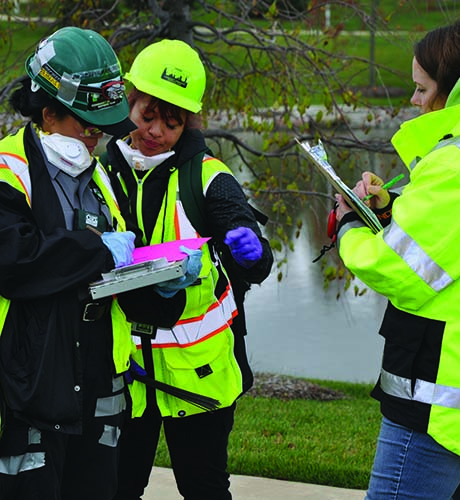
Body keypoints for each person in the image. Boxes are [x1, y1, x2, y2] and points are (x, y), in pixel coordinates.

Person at [333, 19, 460, 499]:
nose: (414, 101)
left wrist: (349, 224)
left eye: (421, 88)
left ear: (454, 91)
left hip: (437, 402)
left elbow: (399, 270)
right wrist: (390, 211)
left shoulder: (459, 164)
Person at [103, 39, 273, 500]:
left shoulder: (208, 176)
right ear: (129, 102)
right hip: (126, 372)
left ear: (188, 124)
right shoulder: (102, 169)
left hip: (198, 373)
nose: (156, 130)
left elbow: (251, 245)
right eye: (147, 115)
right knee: (116, 486)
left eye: (172, 123)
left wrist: (252, 251)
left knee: (205, 489)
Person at [0, 27, 138, 500]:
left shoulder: (100, 177)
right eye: (88, 124)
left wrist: (156, 276)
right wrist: (98, 249)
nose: (97, 137)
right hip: (31, 385)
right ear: (49, 111)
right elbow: (15, 261)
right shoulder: (7, 172)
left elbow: (111, 269)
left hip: (99, 386)